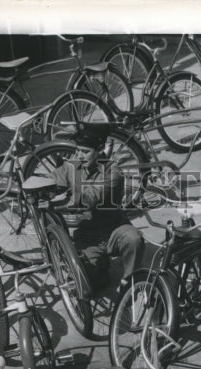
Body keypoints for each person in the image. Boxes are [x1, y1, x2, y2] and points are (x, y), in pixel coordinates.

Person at [51, 125, 145, 295]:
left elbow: (91, 197)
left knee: (134, 239)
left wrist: (61, 203)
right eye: (77, 150)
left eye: (85, 151)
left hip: (114, 230)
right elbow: (53, 182)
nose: (79, 155)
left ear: (100, 149)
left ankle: (129, 280)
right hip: (87, 236)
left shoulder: (112, 171)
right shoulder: (72, 165)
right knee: (86, 286)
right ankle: (100, 267)